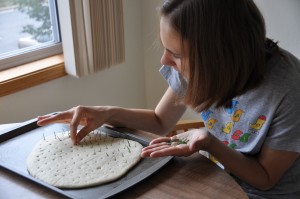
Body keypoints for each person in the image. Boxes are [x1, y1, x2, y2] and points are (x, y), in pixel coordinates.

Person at [37, 0, 300, 198]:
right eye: (165, 49)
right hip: (213, 173)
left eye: (175, 54)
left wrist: (210, 143)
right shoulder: (197, 66)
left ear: (218, 57)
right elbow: (160, 120)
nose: (164, 61)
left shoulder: (289, 89)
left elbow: (265, 178)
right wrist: (107, 112)